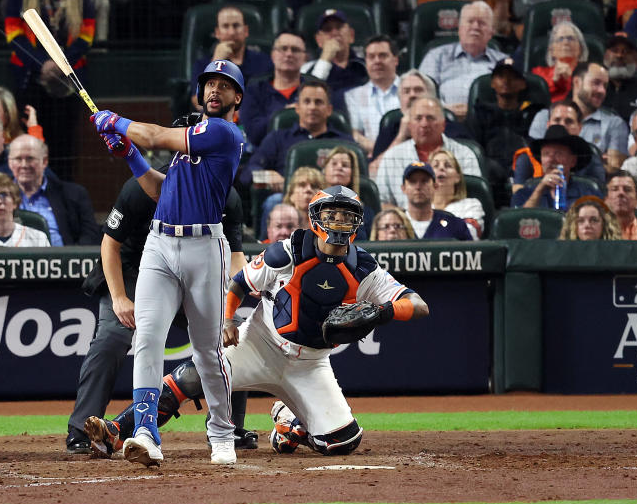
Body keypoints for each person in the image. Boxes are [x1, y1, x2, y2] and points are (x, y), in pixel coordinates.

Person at [86, 185, 430, 461]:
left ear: (357, 223)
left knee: (343, 442)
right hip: (259, 343)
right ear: (316, 218)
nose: (339, 222)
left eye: (347, 216)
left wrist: (384, 312)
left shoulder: (363, 268)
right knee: (191, 377)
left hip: (310, 365)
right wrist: (228, 319)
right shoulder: (290, 250)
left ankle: (288, 423)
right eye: (332, 214)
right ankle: (117, 431)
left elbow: (418, 305)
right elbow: (239, 282)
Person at [90, 58, 247, 467]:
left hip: (204, 248)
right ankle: (145, 431)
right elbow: (161, 191)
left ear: (237, 98)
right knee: (146, 339)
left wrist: (116, 122)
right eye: (209, 83)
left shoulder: (224, 133)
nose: (215, 90)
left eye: (224, 85)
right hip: (160, 244)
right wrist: (128, 154)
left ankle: (222, 433)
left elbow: (156, 135)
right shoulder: (193, 145)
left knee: (208, 351)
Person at [65, 172, 251, 454]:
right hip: (131, 272)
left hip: (190, 273)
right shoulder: (144, 187)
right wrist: (118, 298)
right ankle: (83, 431)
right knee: (113, 338)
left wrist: (232, 306)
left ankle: (231, 427)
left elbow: (235, 254)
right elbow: (109, 244)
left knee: (228, 336)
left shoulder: (224, 193)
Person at [5, 0, 95, 178]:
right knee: (32, 139)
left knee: (65, 143)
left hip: (69, 80)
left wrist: (60, 64)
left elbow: (86, 36)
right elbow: (13, 34)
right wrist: (40, 64)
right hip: (30, 79)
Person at [374, 96, 481, 207]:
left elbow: (475, 196)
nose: (424, 124)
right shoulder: (392, 156)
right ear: (409, 125)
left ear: (443, 125)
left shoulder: (465, 155)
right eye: (418, 118)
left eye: (430, 118)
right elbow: (383, 201)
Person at [249, 79, 349, 192]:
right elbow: (249, 172)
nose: (312, 107)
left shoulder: (345, 143)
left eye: (318, 102)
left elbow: (360, 177)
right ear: (297, 108)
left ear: (329, 110)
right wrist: (267, 176)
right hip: (286, 201)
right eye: (307, 101)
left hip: (333, 202)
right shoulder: (277, 139)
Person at [529, 62, 630, 169]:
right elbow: (532, 162)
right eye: (596, 83)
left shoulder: (615, 124)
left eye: (605, 86)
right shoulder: (544, 117)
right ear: (577, 82)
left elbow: (614, 169)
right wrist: (597, 160)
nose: (602, 91)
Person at [418, 1, 508, 116]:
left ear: (491, 32)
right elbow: (421, 93)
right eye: (470, 21)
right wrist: (443, 109)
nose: (475, 27)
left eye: (481, 23)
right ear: (459, 29)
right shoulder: (436, 56)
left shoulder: (503, 62)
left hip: (489, 121)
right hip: (443, 119)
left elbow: (510, 99)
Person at [8, 134, 100, 246]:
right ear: (9, 162)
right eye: (18, 159)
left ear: (45, 161)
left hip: (61, 260)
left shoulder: (74, 194)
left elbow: (90, 235)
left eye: (30, 158)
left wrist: (72, 258)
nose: (24, 165)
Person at [189, 7, 273, 109]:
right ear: (217, 33)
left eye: (236, 26)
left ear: (245, 31)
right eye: (225, 26)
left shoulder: (264, 61)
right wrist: (216, 63)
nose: (231, 32)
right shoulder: (202, 65)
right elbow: (200, 104)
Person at [511, 123, 596, 210]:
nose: (551, 159)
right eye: (546, 154)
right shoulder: (524, 193)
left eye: (558, 153)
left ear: (573, 161)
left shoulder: (588, 193)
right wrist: (539, 190)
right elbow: (519, 220)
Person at [344, 34, 401, 156]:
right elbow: (355, 134)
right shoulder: (354, 96)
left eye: (383, 56)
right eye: (371, 57)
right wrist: (380, 151)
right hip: (371, 158)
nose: (377, 61)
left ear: (396, 60)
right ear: (366, 61)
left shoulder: (411, 88)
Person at [367, 68, 439, 161]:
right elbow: (373, 171)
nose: (412, 95)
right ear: (400, 101)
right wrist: (400, 137)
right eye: (406, 91)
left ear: (432, 98)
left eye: (418, 90)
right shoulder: (390, 124)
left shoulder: (446, 123)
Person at [300, 9, 367, 96]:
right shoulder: (306, 69)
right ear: (318, 40)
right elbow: (309, 96)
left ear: (351, 35)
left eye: (339, 27)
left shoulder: (365, 66)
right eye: (327, 29)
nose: (335, 33)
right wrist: (325, 59)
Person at [399, 161, 474, 239]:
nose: (418, 187)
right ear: (403, 188)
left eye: (424, 181)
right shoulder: (392, 225)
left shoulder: (455, 226)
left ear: (435, 186)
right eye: (413, 182)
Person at [429, 147, 483, 237]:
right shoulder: (420, 208)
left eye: (448, 165)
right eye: (436, 166)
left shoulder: (471, 205)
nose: (441, 168)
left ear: (457, 177)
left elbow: (470, 235)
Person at [531, 21, 588, 103]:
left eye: (571, 38)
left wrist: (571, 78)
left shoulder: (589, 73)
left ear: (580, 48)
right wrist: (554, 82)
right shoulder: (538, 73)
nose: (565, 42)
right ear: (551, 50)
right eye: (560, 39)